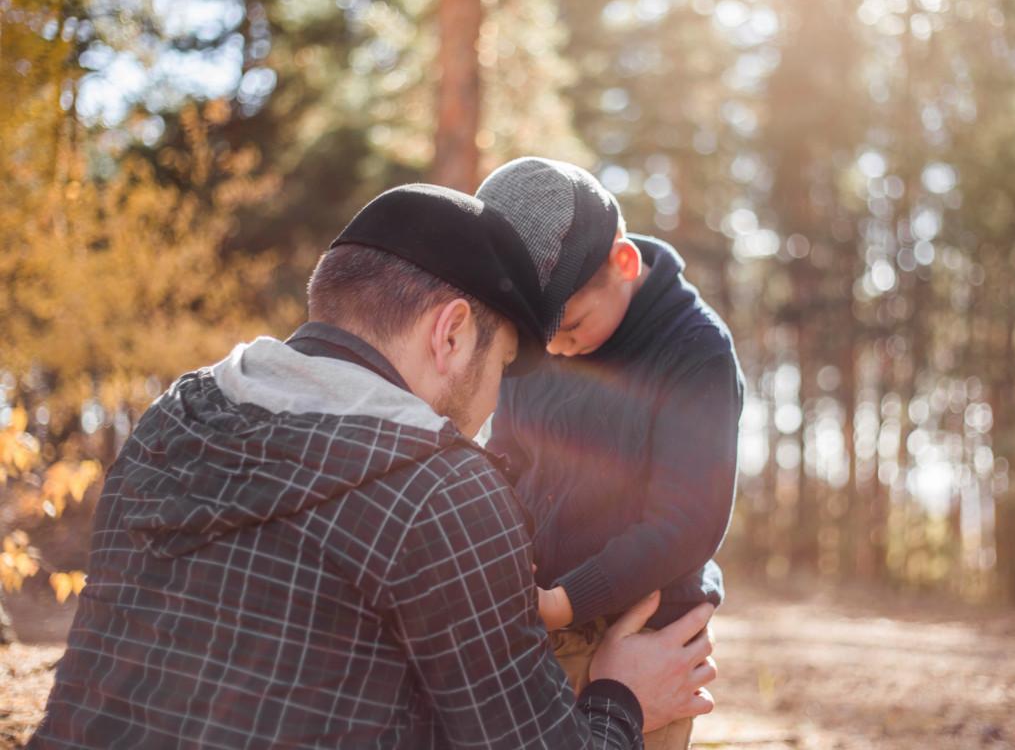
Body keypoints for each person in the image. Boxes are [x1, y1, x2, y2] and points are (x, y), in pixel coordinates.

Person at [31, 184, 717, 749]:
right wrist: (619, 697)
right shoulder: (443, 492)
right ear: (450, 334)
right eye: (504, 365)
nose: (491, 408)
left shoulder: (171, 421)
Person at [476, 159, 744, 750]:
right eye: (540, 336)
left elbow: (687, 519)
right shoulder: (543, 340)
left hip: (636, 625)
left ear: (625, 264)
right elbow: (507, 456)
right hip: (538, 619)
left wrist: (566, 602)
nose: (556, 350)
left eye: (570, 327)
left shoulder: (695, 351)